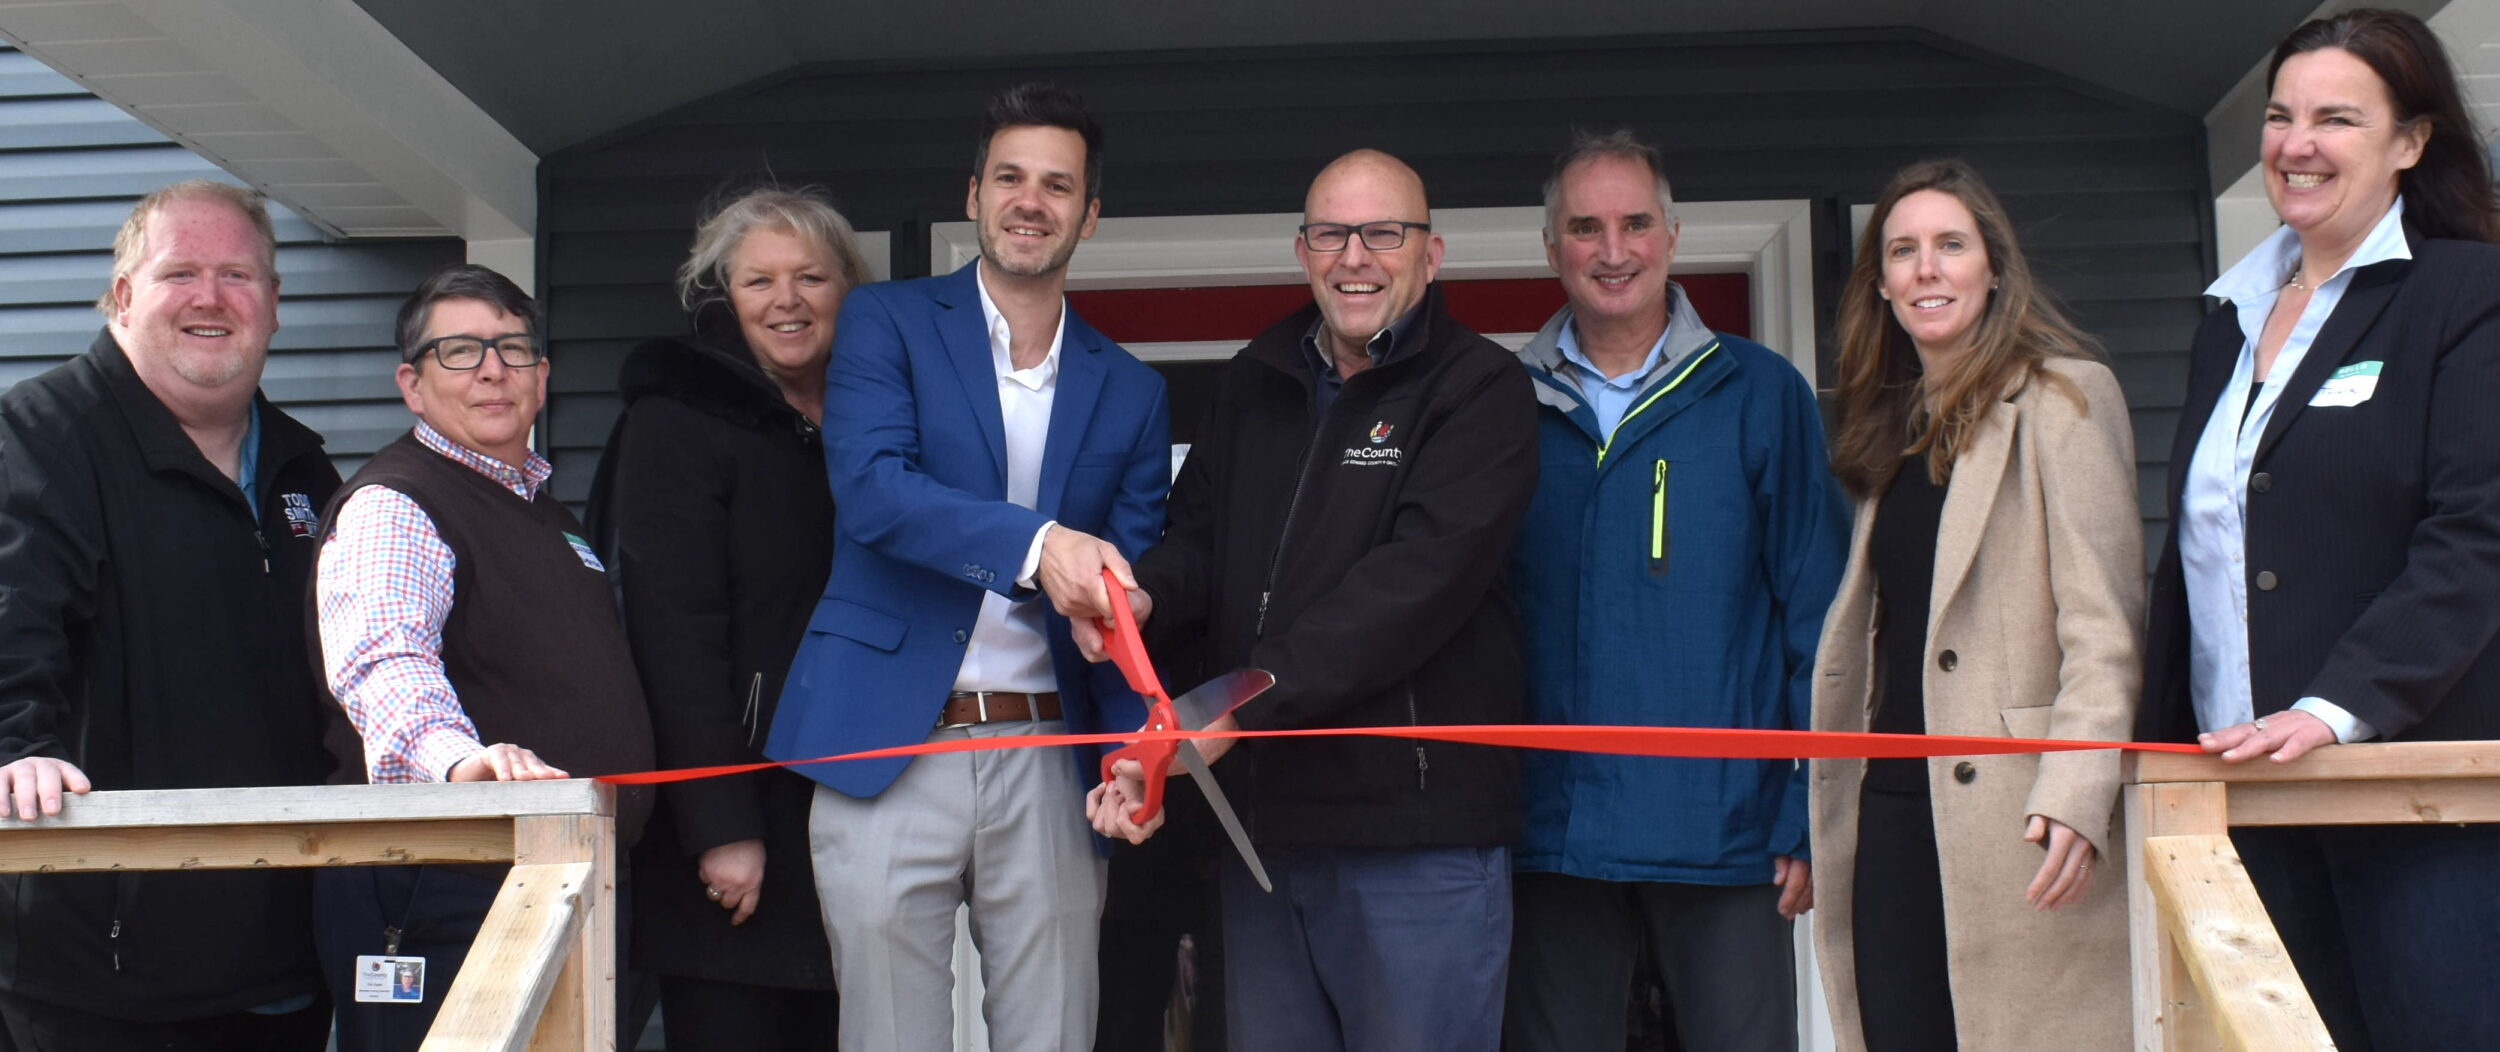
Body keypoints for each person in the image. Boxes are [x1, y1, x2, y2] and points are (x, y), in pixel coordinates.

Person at [1092, 149, 1539, 1052]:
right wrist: (1139, 604)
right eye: (1331, 234)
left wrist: (1238, 708)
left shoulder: (1481, 388)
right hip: (1264, 836)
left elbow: (1410, 590)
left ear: (1431, 254)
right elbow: (1197, 549)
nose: (1354, 257)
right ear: (1302, 252)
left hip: (1415, 843)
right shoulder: (1252, 383)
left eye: (1383, 234)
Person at [762, 83, 1169, 1052]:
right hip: (886, 741)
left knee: (1053, 1036)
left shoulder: (1133, 388)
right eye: (1010, 178)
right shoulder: (884, 321)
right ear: (974, 195)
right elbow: (872, 490)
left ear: (1089, 214)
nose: (1031, 201)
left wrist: (1130, 753)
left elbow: (1126, 593)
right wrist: (1039, 546)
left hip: (1051, 751)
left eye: (1058, 185)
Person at [2138, 10, 2500, 1048]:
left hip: (2413, 800)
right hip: (2239, 801)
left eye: (2336, 119)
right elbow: (2199, 562)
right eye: (2279, 117)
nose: (2297, 145)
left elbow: (2477, 534)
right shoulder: (2227, 322)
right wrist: (2156, 750)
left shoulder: (2466, 295)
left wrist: (2335, 707)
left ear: (2410, 141)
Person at [1500, 130, 1845, 1052]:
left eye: (1636, 224)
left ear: (1673, 235)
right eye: (1586, 228)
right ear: (1552, 246)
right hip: (1550, 836)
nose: (1613, 250)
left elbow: (1823, 617)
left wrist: (1811, 807)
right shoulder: (1498, 404)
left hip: (1727, 836)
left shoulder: (1759, 391)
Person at [1806, 158, 2142, 1051]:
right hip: (1889, 809)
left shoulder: (2065, 398)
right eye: (1903, 251)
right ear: (1881, 285)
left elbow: (2105, 629)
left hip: (2019, 817)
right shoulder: (1892, 423)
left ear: (1993, 268)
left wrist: (2078, 788)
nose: (1928, 268)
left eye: (1951, 245)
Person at [0, 179, 339, 1050]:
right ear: (123, 296)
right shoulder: (39, 435)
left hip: (282, 960)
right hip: (99, 974)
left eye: (237, 275)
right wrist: (15, 748)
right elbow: (11, 613)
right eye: (180, 272)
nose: (210, 297)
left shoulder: (305, 471)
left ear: (273, 305)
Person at [310, 263, 658, 1051]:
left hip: (558, 874)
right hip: (447, 883)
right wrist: (461, 761)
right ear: (412, 383)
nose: (493, 369)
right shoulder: (397, 502)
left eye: (512, 348)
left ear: (542, 377)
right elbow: (383, 663)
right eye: (460, 351)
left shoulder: (545, 515)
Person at [585, 185, 867, 1050]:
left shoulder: (869, 422)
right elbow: (671, 635)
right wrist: (722, 827)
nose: (788, 300)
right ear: (723, 296)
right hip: (736, 817)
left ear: (847, 290)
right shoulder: (679, 421)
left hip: (852, 809)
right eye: (759, 281)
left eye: (811, 277)